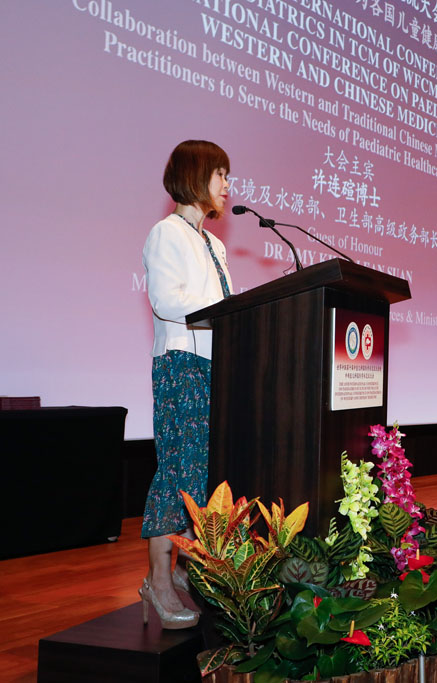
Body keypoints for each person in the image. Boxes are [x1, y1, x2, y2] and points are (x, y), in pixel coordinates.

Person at [139, 140, 233, 629]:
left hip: (216, 366)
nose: (227, 185)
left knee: (202, 477)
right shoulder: (166, 233)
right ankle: (157, 581)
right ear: (196, 175)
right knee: (178, 472)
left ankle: (184, 570)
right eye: (220, 174)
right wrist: (222, 311)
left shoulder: (215, 244)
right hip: (180, 364)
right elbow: (165, 301)